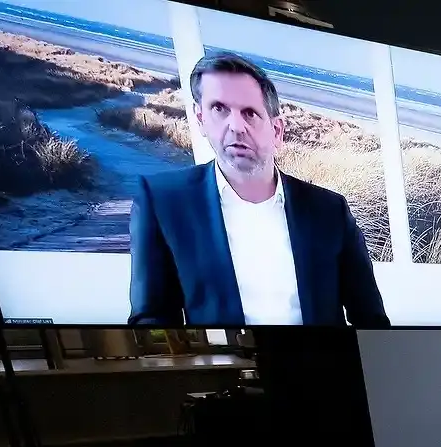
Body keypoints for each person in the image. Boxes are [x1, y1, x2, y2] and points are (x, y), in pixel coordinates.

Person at [128, 52, 389, 327]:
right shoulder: (163, 201)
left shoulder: (330, 210)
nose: (236, 126)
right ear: (201, 118)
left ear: (277, 131)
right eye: (219, 109)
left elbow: (371, 319)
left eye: (250, 113)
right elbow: (151, 320)